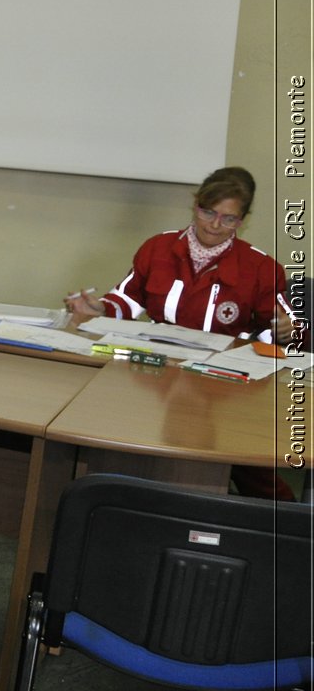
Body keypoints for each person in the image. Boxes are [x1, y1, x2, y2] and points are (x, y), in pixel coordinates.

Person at [65, 166, 300, 500]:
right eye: (208, 212)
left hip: (223, 387)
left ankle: (288, 528)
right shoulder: (158, 248)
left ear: (243, 220)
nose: (215, 225)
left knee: (250, 466)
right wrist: (101, 309)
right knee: (119, 433)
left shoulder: (261, 268)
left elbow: (283, 327)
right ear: (195, 206)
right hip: (157, 374)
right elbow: (129, 300)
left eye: (228, 218)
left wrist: (286, 331)